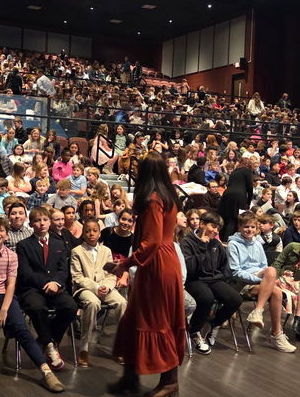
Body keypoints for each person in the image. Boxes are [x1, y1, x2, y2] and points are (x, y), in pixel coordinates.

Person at [106, 152, 184, 397]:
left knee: (155, 321)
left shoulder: (152, 201)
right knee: (138, 319)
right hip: (165, 261)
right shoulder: (167, 196)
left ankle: (170, 382)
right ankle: (130, 378)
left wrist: (124, 264)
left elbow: (150, 243)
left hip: (156, 265)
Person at [0, 216, 65, 396]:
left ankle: (46, 371)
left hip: (5, 297)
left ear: (6, 235)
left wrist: (4, 310)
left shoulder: (12, 256)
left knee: (23, 331)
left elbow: (11, 285)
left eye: (1, 230)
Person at [15, 206, 78, 370]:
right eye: (37, 220)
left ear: (50, 222)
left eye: (44, 220)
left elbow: (63, 270)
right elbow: (25, 273)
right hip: (32, 288)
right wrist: (46, 283)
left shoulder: (59, 244)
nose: (42, 223)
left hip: (55, 287)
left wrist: (55, 283)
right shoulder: (23, 245)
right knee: (36, 307)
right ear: (31, 224)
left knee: (70, 306)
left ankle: (47, 339)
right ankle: (50, 346)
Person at [227, 211, 297, 353]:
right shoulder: (233, 244)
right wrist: (263, 280)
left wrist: (267, 280)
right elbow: (235, 272)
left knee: (275, 289)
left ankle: (275, 332)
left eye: (253, 227)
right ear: (239, 227)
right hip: (241, 283)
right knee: (272, 277)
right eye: (246, 227)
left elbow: (263, 266)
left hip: (259, 281)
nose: (250, 230)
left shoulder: (258, 244)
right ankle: (268, 324)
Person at [180, 210, 242, 354]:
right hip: (194, 279)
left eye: (218, 228)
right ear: (202, 224)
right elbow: (189, 268)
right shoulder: (187, 242)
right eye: (213, 226)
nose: (215, 231)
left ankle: (212, 324)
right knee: (206, 298)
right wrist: (202, 245)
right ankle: (195, 331)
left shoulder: (216, 243)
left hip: (214, 279)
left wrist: (220, 279)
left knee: (235, 299)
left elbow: (222, 265)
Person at [70, 219, 127, 367]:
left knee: (122, 303)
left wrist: (107, 287)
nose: (91, 233)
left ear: (99, 233)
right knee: (92, 303)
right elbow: (78, 277)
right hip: (85, 288)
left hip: (105, 287)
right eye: (87, 230)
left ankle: (122, 346)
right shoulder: (77, 251)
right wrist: (95, 288)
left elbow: (111, 274)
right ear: (83, 233)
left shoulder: (106, 251)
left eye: (94, 230)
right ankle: (84, 348)